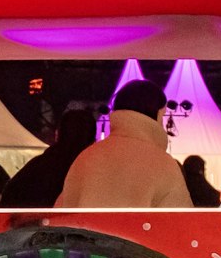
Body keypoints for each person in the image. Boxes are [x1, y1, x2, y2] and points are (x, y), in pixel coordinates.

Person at [57, 80, 193, 207]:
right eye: (163, 117)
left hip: (84, 232)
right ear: (157, 115)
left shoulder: (86, 158)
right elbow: (180, 224)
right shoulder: (163, 165)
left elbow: (61, 217)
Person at [1, 108, 94, 207]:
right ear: (92, 139)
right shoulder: (90, 170)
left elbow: (10, 195)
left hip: (24, 219)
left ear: (58, 134)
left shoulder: (38, 165)